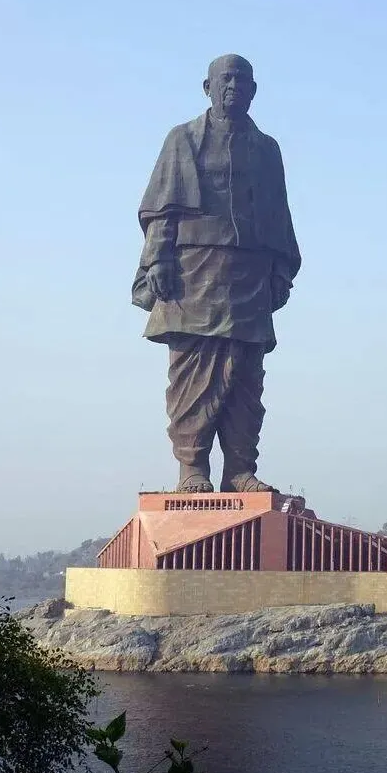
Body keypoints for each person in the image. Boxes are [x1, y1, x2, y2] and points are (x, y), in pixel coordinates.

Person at [131, 54, 301, 493]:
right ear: (206, 87)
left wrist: (280, 270)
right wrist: (159, 261)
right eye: (225, 80)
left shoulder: (267, 150)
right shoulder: (183, 140)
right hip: (194, 274)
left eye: (242, 81)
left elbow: (279, 216)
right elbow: (161, 209)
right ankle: (193, 469)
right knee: (193, 373)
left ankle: (240, 469)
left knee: (246, 376)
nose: (233, 87)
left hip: (248, 275)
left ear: (254, 91)